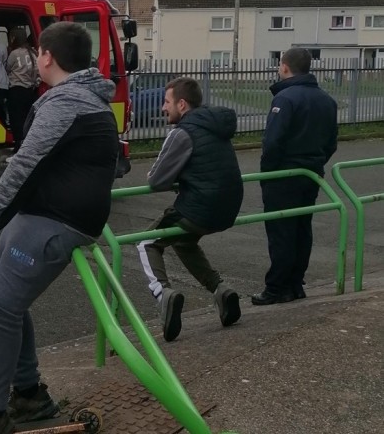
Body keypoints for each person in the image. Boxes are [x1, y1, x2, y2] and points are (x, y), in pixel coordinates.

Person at [0, 22, 119, 434]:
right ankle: (29, 395)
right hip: (46, 215)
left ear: (46, 57)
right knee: (8, 303)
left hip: (56, 220)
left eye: (38, 53)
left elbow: (23, 166)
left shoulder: (66, 103)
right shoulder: (87, 99)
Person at [137, 77, 244, 342]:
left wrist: (172, 176)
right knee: (184, 243)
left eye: (167, 102)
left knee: (146, 243)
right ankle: (221, 290)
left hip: (200, 208)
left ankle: (164, 295)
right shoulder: (214, 126)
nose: (163, 108)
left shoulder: (182, 132)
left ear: (182, 104)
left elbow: (156, 180)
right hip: (228, 207)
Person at [252, 48, 338, 305]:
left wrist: (268, 173)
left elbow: (273, 142)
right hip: (311, 173)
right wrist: (316, 162)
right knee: (301, 228)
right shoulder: (326, 100)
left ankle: (277, 287)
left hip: (284, 174)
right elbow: (331, 142)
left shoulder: (285, 99)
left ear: (284, 67)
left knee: (281, 231)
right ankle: (295, 283)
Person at [6, 27, 39, 151]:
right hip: (30, 91)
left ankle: (18, 144)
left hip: (16, 90)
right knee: (27, 119)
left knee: (16, 119)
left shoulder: (14, 54)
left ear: (14, 38)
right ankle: (27, 144)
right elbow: (38, 72)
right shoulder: (33, 53)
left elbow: (8, 68)